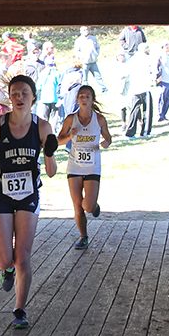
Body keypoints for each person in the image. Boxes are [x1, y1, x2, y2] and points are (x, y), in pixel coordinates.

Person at [0, 74, 58, 329]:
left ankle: (19, 309)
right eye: (15, 93)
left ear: (33, 97)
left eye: (25, 93)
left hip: (28, 194)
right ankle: (7, 270)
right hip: (2, 194)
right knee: (5, 259)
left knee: (23, 256)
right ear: (9, 97)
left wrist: (49, 152)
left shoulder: (42, 126)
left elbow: (51, 171)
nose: (19, 97)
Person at [57, 84, 112, 250]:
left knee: (87, 205)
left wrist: (105, 143)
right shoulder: (70, 119)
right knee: (77, 205)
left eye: (87, 96)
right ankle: (83, 236)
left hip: (92, 167)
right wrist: (70, 135)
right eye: (81, 96)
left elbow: (108, 138)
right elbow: (58, 141)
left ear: (92, 99)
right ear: (77, 99)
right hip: (74, 166)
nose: (84, 98)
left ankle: (94, 206)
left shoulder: (99, 119)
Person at [124, 43, 155, 138]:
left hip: (134, 89)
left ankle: (130, 133)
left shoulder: (132, 59)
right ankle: (145, 132)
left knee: (134, 112)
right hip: (144, 88)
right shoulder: (146, 59)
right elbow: (151, 72)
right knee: (147, 112)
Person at [73, 26, 108, 92]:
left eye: (87, 29)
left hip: (93, 61)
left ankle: (104, 89)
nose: (86, 31)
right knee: (84, 78)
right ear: (81, 31)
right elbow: (77, 51)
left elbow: (98, 47)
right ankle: (85, 90)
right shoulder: (78, 40)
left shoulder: (93, 38)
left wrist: (96, 54)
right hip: (84, 63)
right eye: (84, 30)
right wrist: (81, 58)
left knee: (98, 76)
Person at [156, 41, 169, 121]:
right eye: (166, 47)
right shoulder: (160, 57)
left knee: (168, 100)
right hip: (163, 81)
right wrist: (158, 79)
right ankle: (160, 115)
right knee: (162, 99)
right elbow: (157, 68)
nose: (168, 48)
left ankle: (164, 114)